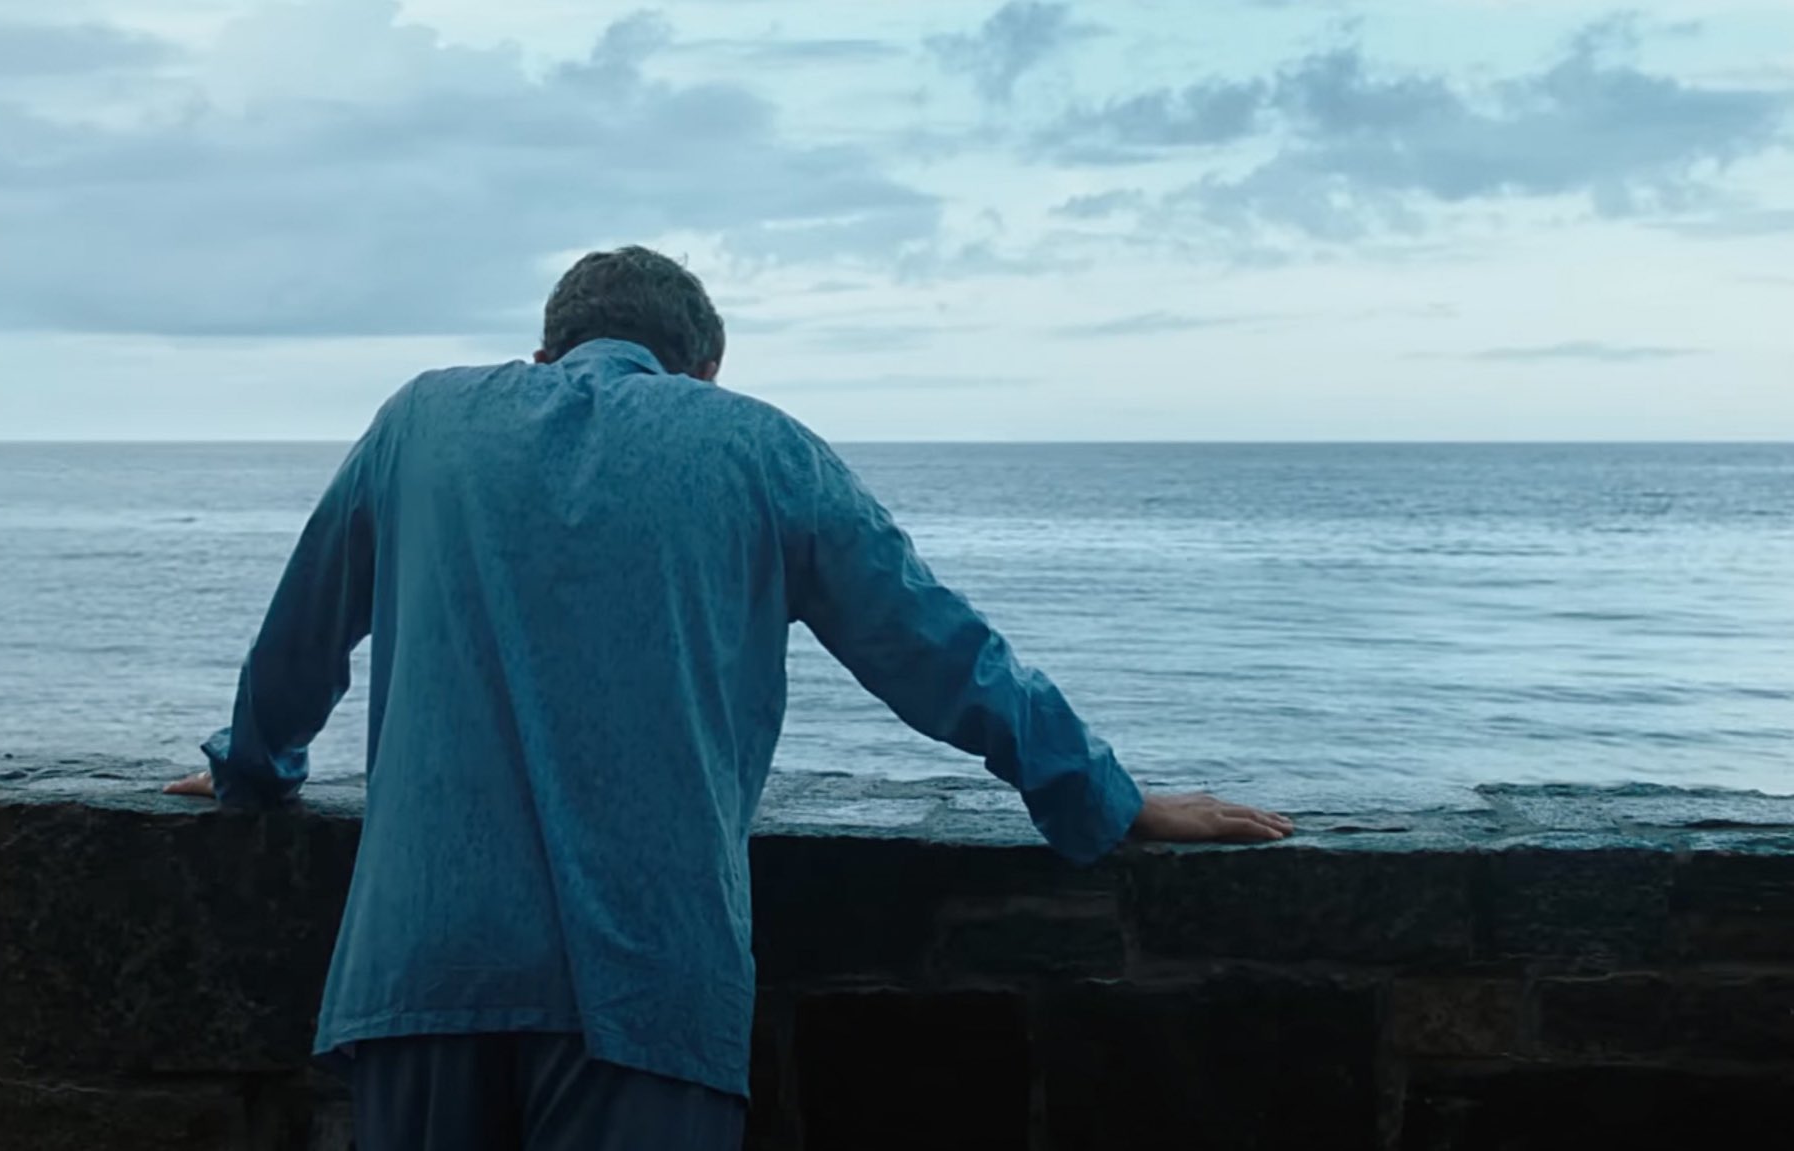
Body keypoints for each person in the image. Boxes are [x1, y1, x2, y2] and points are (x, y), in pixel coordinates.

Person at [166, 245, 1294, 1149]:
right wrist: (1104, 796)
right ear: (704, 369)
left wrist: (251, 767)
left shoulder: (422, 422)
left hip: (424, 962)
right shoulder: (760, 447)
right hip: (647, 977)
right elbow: (935, 648)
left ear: (546, 350)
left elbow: (302, 632)